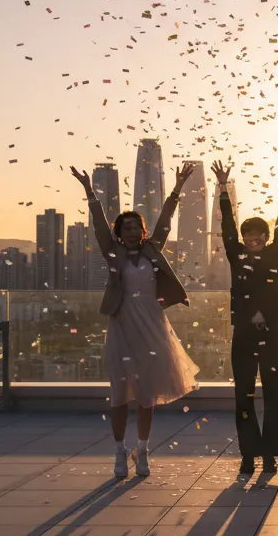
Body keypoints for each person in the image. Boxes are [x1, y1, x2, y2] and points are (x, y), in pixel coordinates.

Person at [71, 163, 200, 479]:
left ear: (143, 231)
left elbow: (167, 222)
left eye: (136, 227)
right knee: (119, 392)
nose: (131, 232)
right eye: (125, 228)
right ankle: (118, 450)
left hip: (152, 325)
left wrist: (177, 187)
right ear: (119, 233)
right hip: (122, 324)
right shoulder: (112, 253)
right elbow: (99, 226)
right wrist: (89, 191)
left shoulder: (153, 250)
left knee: (147, 394)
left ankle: (142, 450)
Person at [211, 158, 278, 476]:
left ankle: (271, 454)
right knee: (244, 396)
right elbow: (225, 226)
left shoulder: (275, 254)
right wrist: (223, 189)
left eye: (258, 236)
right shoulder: (236, 257)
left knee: (276, 394)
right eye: (247, 235)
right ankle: (249, 454)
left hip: (271, 334)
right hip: (244, 336)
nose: (252, 240)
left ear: (265, 238)